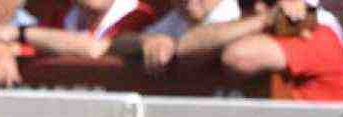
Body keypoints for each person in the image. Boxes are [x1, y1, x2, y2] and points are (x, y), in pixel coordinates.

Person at [173, 0, 343, 100]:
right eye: (248, 2)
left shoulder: (321, 34)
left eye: (270, 1)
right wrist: (266, 19)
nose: (258, 7)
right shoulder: (258, 23)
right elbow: (184, 45)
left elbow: (238, 57)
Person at [102, 0, 243, 75]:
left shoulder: (237, 15)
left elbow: (189, 48)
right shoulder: (178, 18)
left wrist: (174, 46)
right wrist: (146, 41)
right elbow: (117, 42)